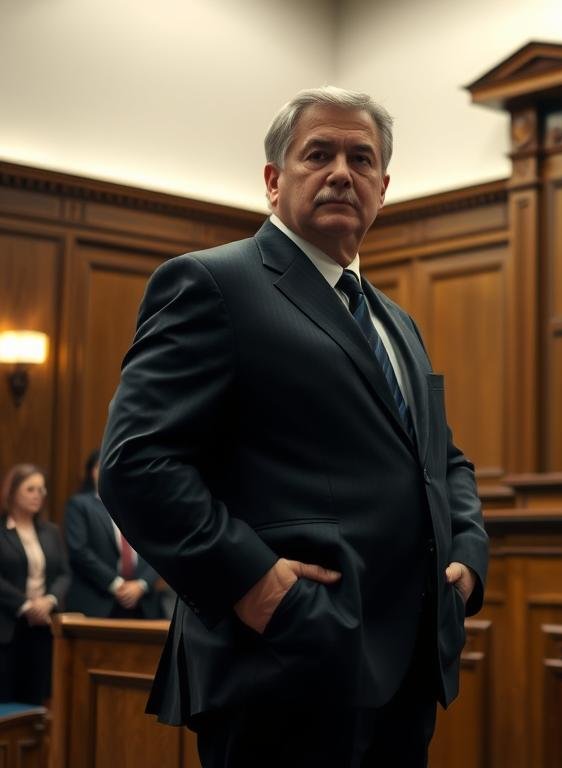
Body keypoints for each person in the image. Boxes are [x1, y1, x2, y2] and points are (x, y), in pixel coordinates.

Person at [99, 86, 488, 766]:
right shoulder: (211, 284)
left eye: (362, 159)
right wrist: (255, 585)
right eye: (320, 153)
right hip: (282, 668)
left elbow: (442, 460)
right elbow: (136, 465)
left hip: (407, 669)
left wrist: (469, 563)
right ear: (274, 181)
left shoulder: (397, 322)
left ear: (384, 187)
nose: (343, 171)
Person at [0, 464, 69, 704]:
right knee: (7, 699)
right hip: (8, 627)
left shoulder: (50, 531)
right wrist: (25, 605)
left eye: (41, 489)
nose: (38, 494)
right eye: (31, 489)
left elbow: (63, 573)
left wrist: (49, 601)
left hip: (43, 626)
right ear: (12, 492)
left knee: (38, 700)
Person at [65, 450, 163, 619]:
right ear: (93, 472)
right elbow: (79, 551)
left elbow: (160, 550)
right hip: (98, 601)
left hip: (143, 604)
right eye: (100, 465)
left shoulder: (144, 507)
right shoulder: (80, 505)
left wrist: (141, 584)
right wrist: (118, 585)